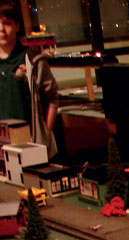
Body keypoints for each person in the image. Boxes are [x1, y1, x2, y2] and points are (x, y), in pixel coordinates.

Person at [0, 0, 59, 158]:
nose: (1, 29)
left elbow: (53, 98)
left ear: (17, 26)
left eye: (7, 23)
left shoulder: (33, 60)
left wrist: (44, 135)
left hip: (29, 141)